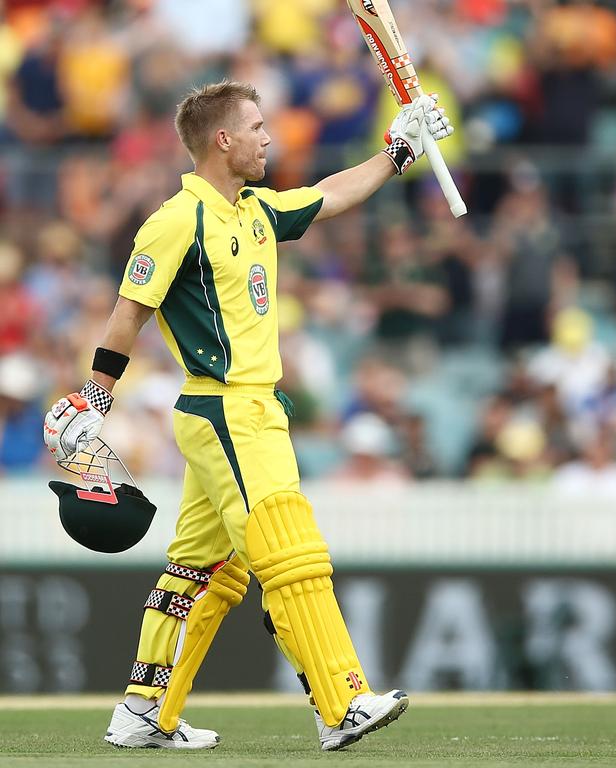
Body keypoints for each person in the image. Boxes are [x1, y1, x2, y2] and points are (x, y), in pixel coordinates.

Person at [42, 80, 453, 751]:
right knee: (290, 553)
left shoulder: (255, 210)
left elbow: (332, 195)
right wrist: (97, 394)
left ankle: (143, 710)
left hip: (250, 412)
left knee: (201, 572)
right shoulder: (179, 219)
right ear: (222, 139)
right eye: (257, 127)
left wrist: (400, 149)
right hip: (226, 409)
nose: (270, 138)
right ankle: (340, 701)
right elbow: (129, 310)